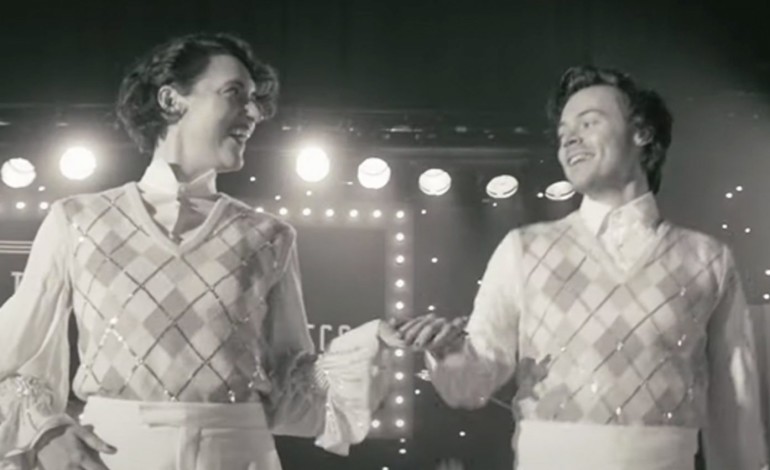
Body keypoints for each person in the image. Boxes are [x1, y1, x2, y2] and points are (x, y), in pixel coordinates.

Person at [0, 32, 401, 470]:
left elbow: (289, 384)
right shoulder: (77, 220)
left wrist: (373, 344)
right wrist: (44, 430)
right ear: (171, 100)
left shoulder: (269, 235)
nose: (254, 113)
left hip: (239, 455)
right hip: (112, 454)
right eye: (235, 93)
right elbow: (13, 353)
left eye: (255, 100)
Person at [397, 65, 768, 469]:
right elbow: (470, 387)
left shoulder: (707, 260)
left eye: (589, 123)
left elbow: (735, 407)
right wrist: (447, 353)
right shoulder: (523, 249)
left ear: (642, 133)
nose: (570, 139)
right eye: (563, 134)